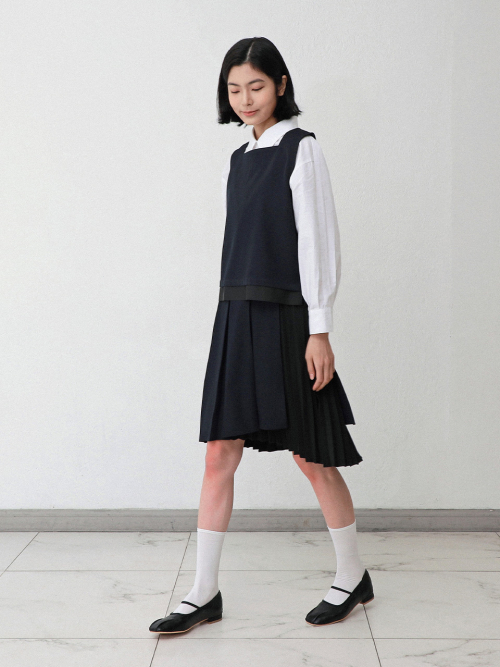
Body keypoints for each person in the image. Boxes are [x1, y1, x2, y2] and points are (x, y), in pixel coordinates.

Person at [149, 36, 374, 636]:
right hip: (236, 315)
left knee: (311, 454)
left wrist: (319, 330)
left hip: (289, 320)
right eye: (234, 89)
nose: (246, 99)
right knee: (219, 453)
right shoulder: (240, 156)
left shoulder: (302, 149)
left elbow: (319, 241)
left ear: (280, 85)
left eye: (256, 86)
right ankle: (204, 591)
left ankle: (352, 574)